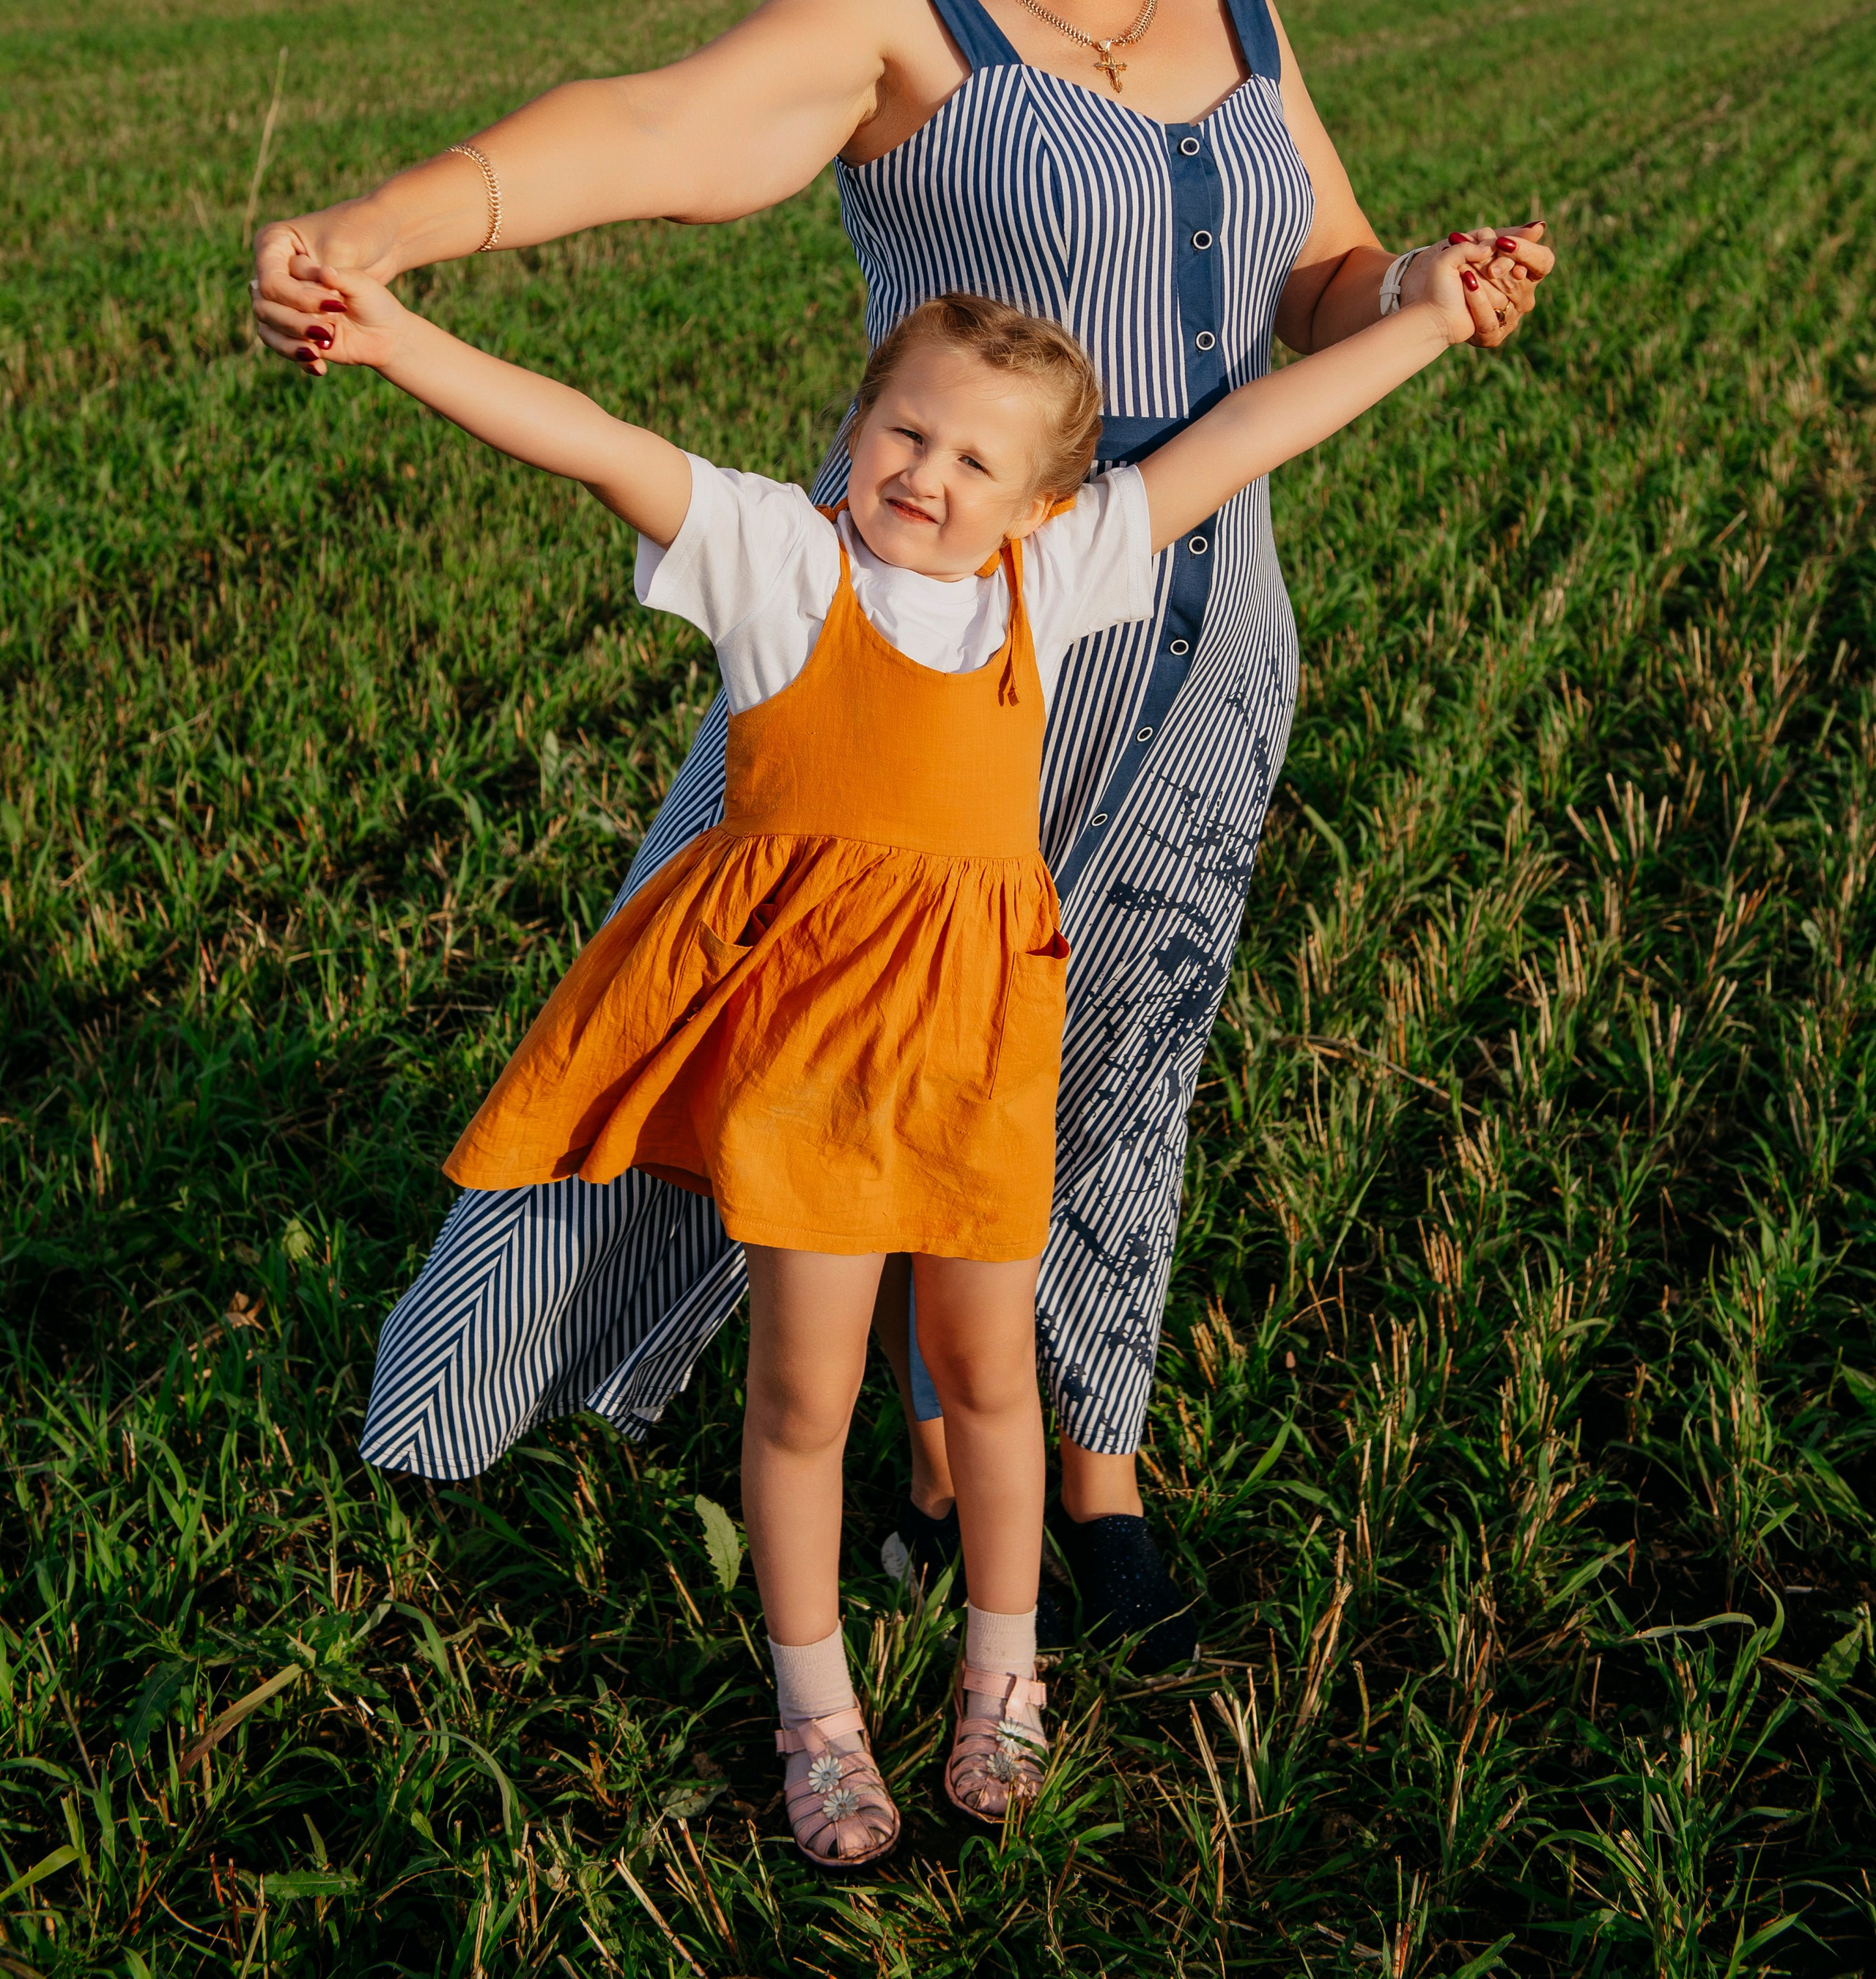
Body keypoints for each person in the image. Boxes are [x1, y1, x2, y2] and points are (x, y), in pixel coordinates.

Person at [254, 0, 1556, 1667]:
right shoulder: (903, 7)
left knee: (1122, 1042)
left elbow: (1321, 272)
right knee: (767, 1005)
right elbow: (658, 130)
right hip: (934, 627)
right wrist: (393, 230)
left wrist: (1429, 288)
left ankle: (1060, 1456)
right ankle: (525, 1388)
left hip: (1201, 616)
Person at [295, 251, 1483, 1859]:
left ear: (1044, 496)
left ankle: (1006, 1670)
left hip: (981, 1048)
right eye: (903, 430)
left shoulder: (1046, 582)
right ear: (856, 424)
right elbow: (583, 435)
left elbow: (1245, 435)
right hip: (811, 1064)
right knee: (804, 1389)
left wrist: (1421, 318)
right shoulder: (781, 563)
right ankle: (817, 1710)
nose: (926, 472)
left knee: (992, 1375)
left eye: (975, 457)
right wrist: (391, 338)